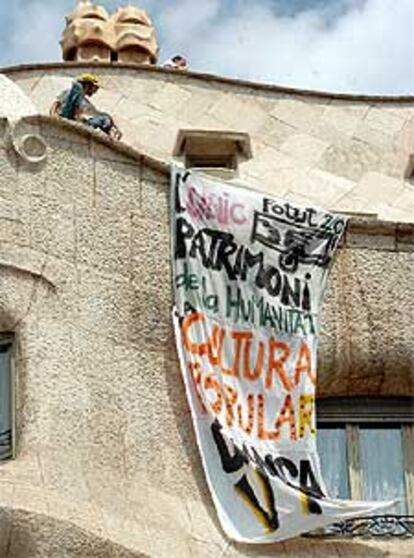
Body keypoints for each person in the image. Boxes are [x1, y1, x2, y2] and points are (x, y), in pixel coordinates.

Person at [50, 73, 122, 140]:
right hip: (67, 115)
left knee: (105, 118)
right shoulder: (70, 93)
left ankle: (110, 136)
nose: (95, 91)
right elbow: (56, 104)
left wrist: (114, 127)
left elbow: (97, 113)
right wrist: (54, 116)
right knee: (77, 91)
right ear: (88, 86)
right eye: (95, 88)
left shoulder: (85, 102)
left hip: (81, 121)